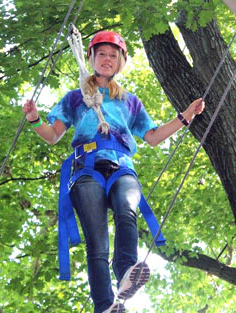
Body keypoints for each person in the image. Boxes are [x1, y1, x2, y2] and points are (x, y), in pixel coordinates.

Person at [23, 31, 205, 313]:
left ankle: (126, 274)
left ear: (120, 62)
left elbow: (153, 137)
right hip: (87, 168)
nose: (107, 60)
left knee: (126, 210)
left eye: (113, 56)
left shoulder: (129, 101)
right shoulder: (75, 98)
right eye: (102, 54)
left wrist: (186, 116)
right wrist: (35, 119)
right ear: (92, 58)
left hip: (122, 167)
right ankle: (105, 307)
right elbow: (52, 135)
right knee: (96, 245)